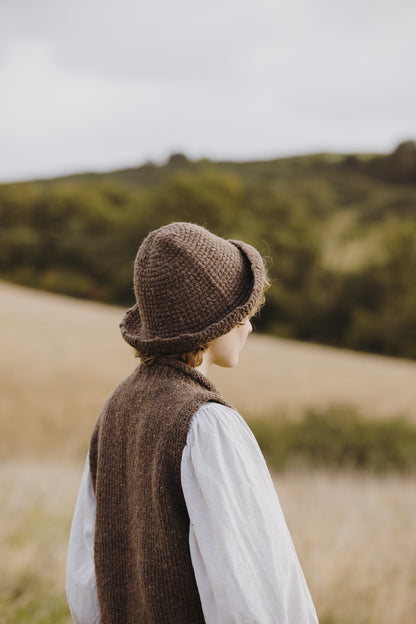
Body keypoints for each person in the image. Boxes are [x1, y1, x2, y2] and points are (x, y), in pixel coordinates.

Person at [66, 222, 319, 623]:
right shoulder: (207, 424)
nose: (248, 325)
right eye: (239, 314)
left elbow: (86, 575)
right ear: (210, 322)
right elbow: (251, 587)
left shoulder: (116, 408)